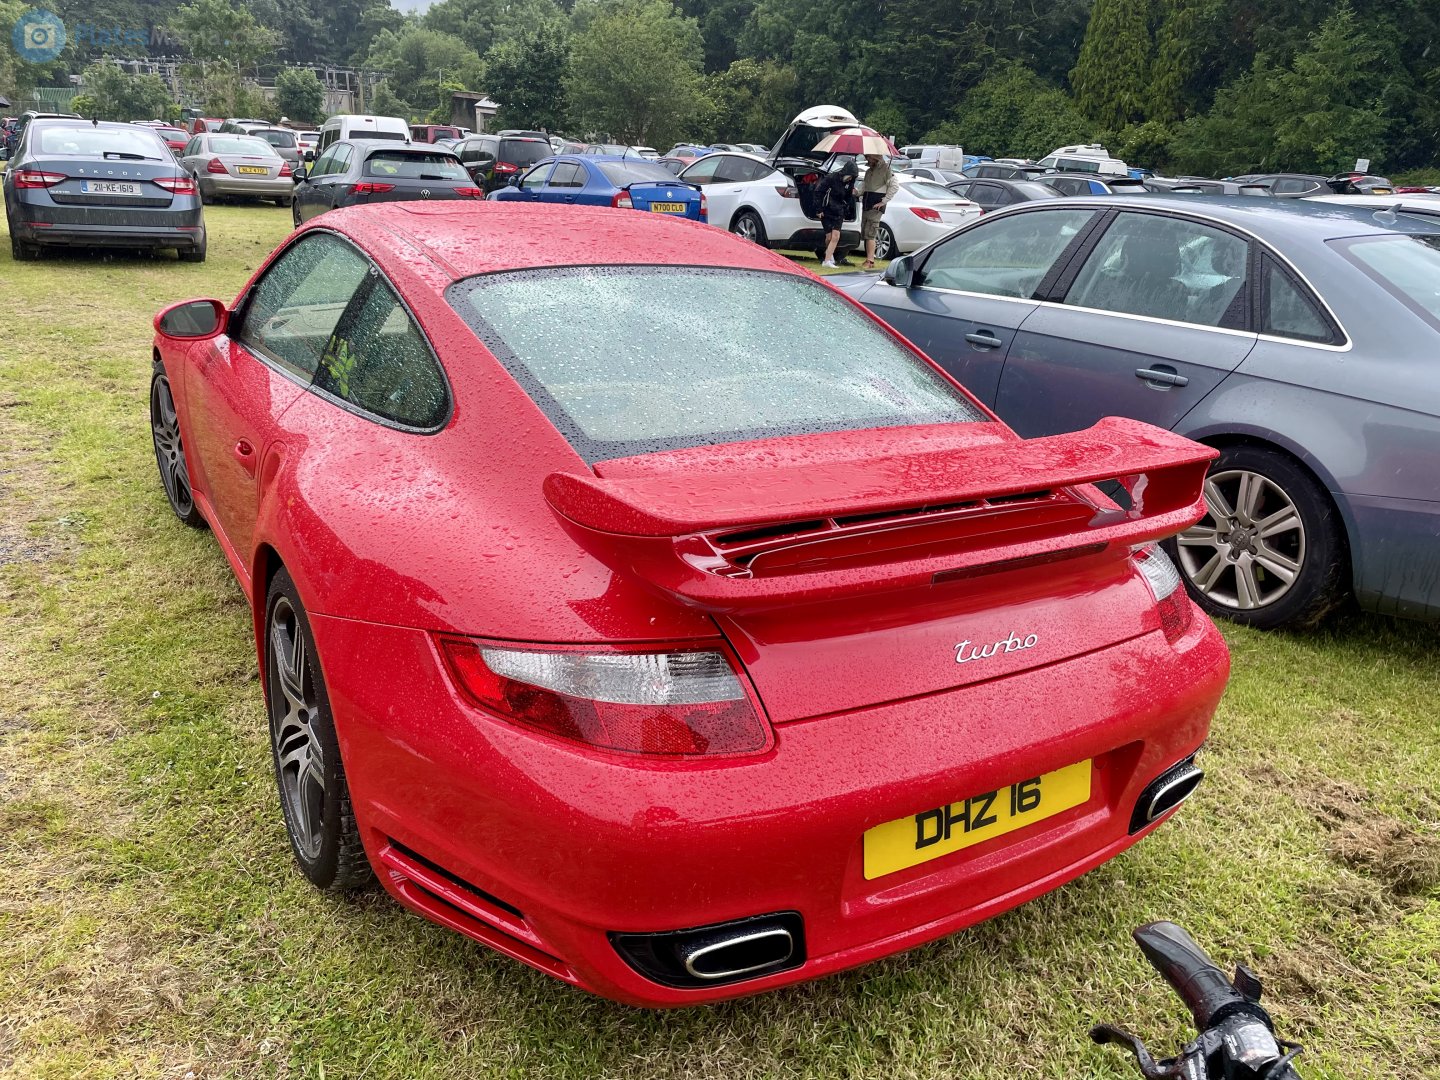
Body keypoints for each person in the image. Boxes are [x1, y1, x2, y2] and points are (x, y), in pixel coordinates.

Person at [859, 151, 899, 269]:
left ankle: (870, 261)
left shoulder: (886, 169)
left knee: (871, 233)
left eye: (869, 157)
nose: (867, 159)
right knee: (866, 233)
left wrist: (884, 201)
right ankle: (868, 259)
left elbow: (895, 186)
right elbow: (863, 187)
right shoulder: (868, 171)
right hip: (867, 204)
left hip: (876, 206)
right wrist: (856, 192)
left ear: (875, 157)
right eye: (866, 157)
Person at [819, 159, 858, 268]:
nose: (851, 179)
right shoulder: (831, 178)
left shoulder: (849, 183)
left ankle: (827, 260)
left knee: (835, 236)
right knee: (829, 237)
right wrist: (819, 209)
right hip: (827, 210)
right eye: (850, 176)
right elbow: (819, 192)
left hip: (839, 211)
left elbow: (848, 197)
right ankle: (829, 257)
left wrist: (851, 197)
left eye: (852, 177)